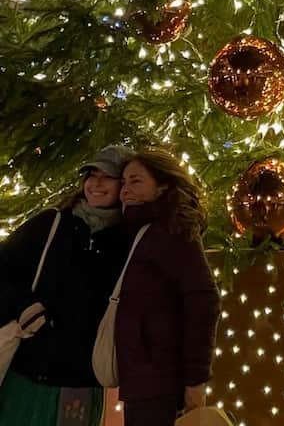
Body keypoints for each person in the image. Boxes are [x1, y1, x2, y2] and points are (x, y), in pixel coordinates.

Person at [0, 146, 132, 426]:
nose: (95, 184)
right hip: (29, 373)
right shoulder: (51, 224)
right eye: (91, 175)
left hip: (81, 382)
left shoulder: (129, 240)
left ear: (124, 185)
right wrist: (24, 306)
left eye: (107, 177)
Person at [115, 149, 220, 426]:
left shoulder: (172, 230)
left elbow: (203, 300)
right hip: (141, 375)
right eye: (124, 182)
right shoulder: (141, 231)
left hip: (161, 378)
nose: (126, 189)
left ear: (163, 186)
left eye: (136, 181)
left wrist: (195, 380)